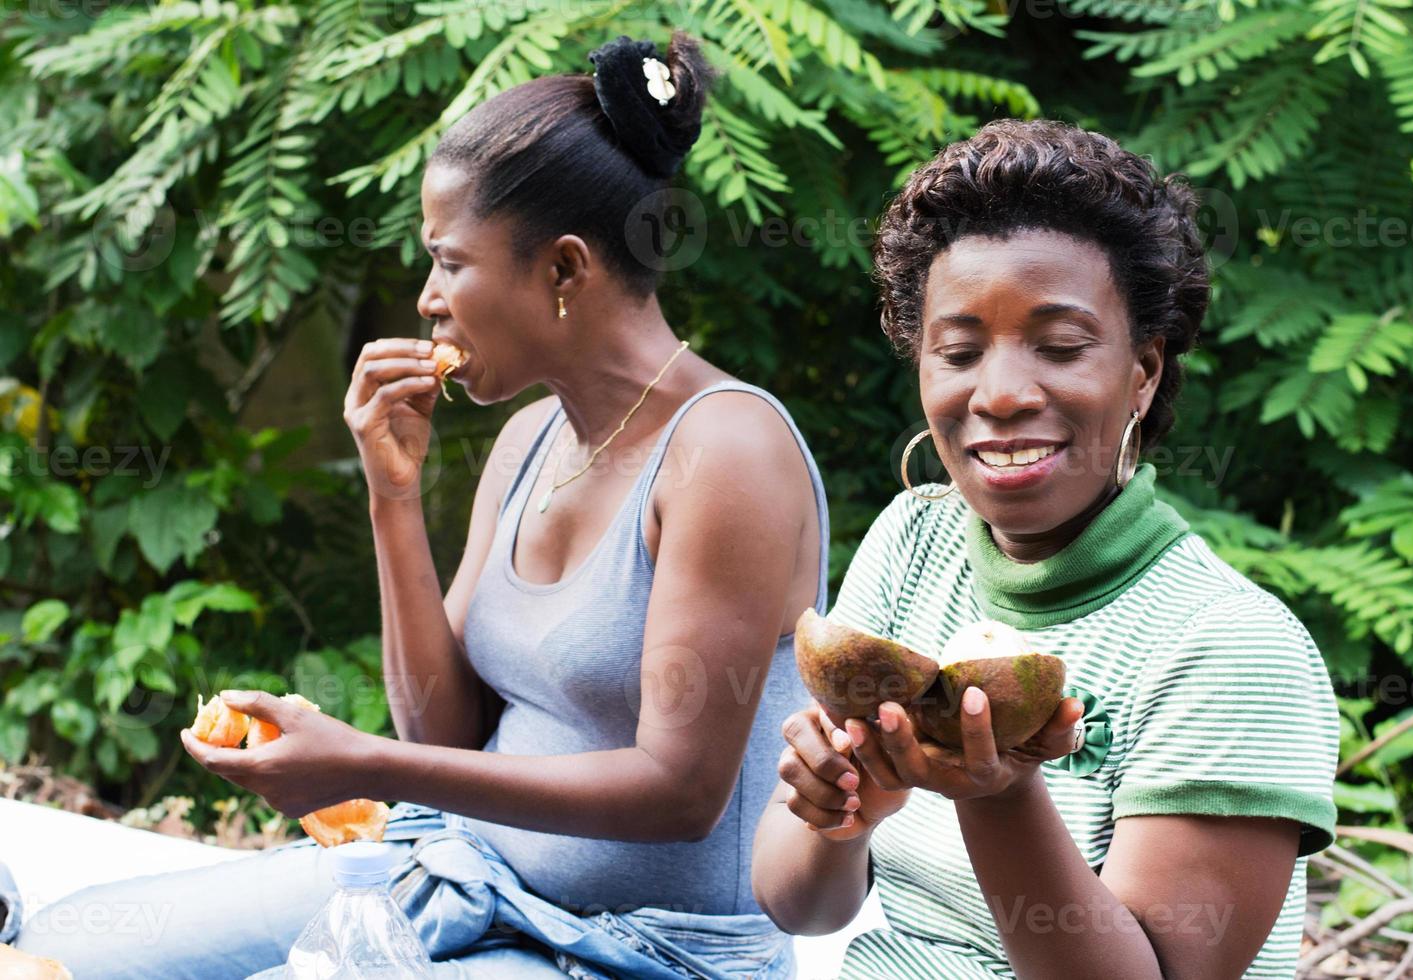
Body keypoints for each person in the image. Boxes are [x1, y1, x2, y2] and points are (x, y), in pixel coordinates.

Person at [9, 32, 826, 978]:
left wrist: (360, 764)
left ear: (563, 271)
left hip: (637, 949)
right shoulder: (530, 442)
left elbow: (678, 792)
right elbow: (442, 736)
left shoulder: (727, 451)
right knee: (59, 952)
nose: (428, 300)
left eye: (449, 262)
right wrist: (393, 497)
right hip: (457, 871)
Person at [750, 118, 1339, 979]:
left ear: (1143, 369)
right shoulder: (913, 542)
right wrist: (840, 818)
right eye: (957, 351)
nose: (1001, 394)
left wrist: (1000, 796)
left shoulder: (1231, 649)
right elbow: (799, 905)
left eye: (1061, 347)